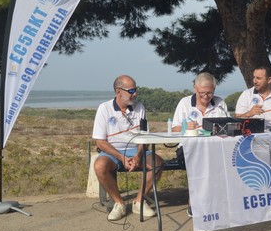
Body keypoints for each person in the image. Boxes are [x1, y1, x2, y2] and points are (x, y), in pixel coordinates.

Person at [92, 75, 164, 221]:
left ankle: (139, 201)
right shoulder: (104, 108)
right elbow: (100, 142)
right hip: (112, 152)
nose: (135, 94)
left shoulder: (139, 107)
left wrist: (138, 155)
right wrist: (122, 157)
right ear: (118, 92)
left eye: (135, 90)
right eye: (131, 90)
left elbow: (145, 138)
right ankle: (119, 203)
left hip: (136, 150)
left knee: (158, 163)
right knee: (100, 166)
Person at [171, 72, 228, 217]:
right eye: (202, 92)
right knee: (199, 161)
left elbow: (228, 126)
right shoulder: (184, 103)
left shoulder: (220, 103)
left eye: (210, 93)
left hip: (214, 147)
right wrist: (186, 127)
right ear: (194, 88)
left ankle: (218, 201)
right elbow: (174, 129)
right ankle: (195, 202)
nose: (206, 96)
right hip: (188, 148)